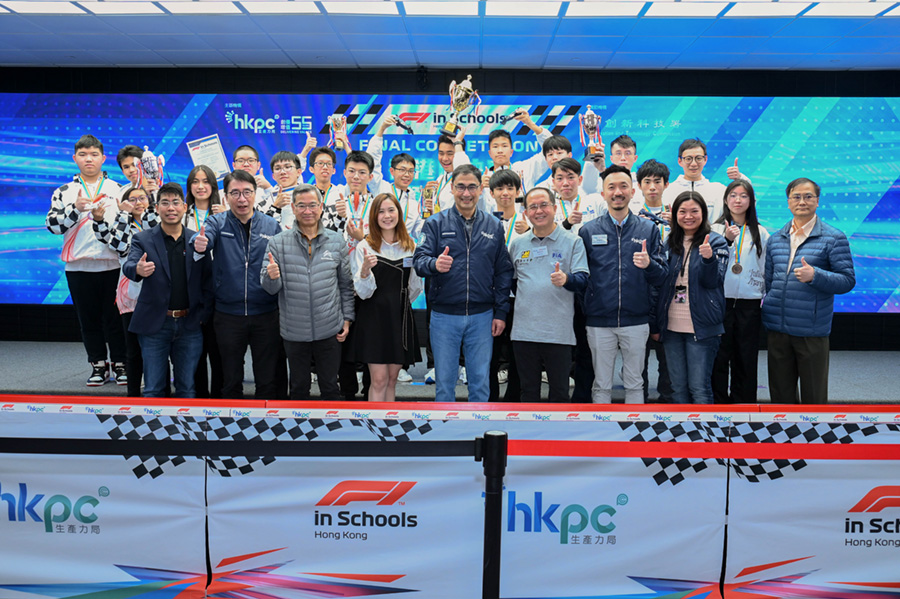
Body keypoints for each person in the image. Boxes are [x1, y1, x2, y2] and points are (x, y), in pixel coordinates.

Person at [413, 164, 514, 403]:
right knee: (445, 384)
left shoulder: (493, 225)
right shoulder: (435, 224)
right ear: (452, 189)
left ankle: (476, 434)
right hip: (444, 316)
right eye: (461, 187)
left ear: (481, 190)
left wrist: (500, 312)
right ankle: (445, 437)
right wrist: (434, 264)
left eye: (471, 187)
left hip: (482, 316)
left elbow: (503, 271)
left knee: (480, 383)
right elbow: (419, 260)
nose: (466, 193)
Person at [192, 169, 286, 400]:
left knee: (266, 377)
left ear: (255, 194)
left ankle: (267, 426)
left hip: (265, 312)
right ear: (225, 196)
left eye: (247, 192)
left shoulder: (271, 225)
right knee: (230, 377)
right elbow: (204, 238)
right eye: (235, 193)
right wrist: (199, 242)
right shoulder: (216, 222)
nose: (241, 199)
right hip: (228, 314)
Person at [579, 165, 667, 404]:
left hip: (636, 320)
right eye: (611, 187)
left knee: (635, 382)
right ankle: (602, 438)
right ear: (603, 193)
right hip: (599, 321)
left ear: (632, 190)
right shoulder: (588, 231)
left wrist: (649, 264)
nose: (617, 192)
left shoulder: (648, 229)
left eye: (623, 186)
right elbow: (581, 277)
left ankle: (633, 437)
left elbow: (662, 277)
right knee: (601, 385)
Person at [762, 178, 855, 404]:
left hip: (811, 331)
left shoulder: (834, 238)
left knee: (814, 399)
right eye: (796, 197)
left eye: (808, 196)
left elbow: (847, 280)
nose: (802, 201)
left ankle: (815, 438)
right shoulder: (775, 239)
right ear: (788, 202)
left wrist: (816, 276)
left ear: (817, 201)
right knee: (780, 397)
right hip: (777, 329)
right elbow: (768, 280)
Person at [45, 134, 126, 386]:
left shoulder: (118, 189)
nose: (88, 159)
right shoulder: (64, 192)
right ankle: (98, 365)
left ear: (103, 158)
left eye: (93, 154)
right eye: (83, 154)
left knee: (115, 319)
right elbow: (52, 226)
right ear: (74, 158)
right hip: (78, 266)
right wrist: (75, 208)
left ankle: (121, 364)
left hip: (113, 264)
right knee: (88, 320)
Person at [261, 185, 354, 401]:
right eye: (301, 206)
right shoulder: (277, 243)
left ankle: (332, 432)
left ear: (321, 207)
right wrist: (271, 276)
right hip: (294, 330)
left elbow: (345, 285)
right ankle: (298, 433)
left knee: (331, 387)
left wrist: (347, 319)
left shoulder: (336, 241)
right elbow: (269, 288)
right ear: (293, 208)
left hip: (329, 327)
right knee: (298, 388)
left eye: (312, 205)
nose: (307, 210)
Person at [122, 182, 213, 398]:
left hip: (190, 324)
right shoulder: (142, 239)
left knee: (187, 389)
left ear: (184, 207)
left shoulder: (196, 240)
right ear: (156, 208)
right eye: (165, 203)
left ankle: (187, 432)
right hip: (155, 324)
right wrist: (138, 269)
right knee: (153, 388)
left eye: (175, 203)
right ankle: (153, 431)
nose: (170, 208)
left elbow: (208, 281)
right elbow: (128, 265)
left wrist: (202, 316)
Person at [510, 187, 589, 402]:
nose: (539, 211)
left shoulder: (573, 241)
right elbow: (514, 283)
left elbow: (583, 279)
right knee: (528, 392)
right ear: (526, 213)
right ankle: (530, 436)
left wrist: (567, 280)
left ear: (555, 208)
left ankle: (559, 436)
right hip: (523, 333)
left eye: (544, 205)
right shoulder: (517, 244)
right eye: (533, 207)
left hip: (558, 333)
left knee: (560, 394)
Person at [651, 192, 729, 404]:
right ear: (675, 214)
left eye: (694, 211)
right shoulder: (669, 243)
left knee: (700, 388)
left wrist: (708, 259)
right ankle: (683, 435)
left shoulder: (716, 242)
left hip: (701, 327)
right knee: (677, 389)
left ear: (704, 213)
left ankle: (704, 436)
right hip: (672, 327)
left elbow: (714, 282)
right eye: (682, 211)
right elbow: (659, 284)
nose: (688, 216)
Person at [347, 193, 422, 401]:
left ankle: (389, 427)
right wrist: (364, 270)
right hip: (374, 318)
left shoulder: (411, 246)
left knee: (392, 378)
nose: (387, 216)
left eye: (391, 210)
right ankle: (374, 430)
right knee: (378, 380)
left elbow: (415, 287)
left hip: (400, 318)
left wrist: (400, 304)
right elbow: (362, 292)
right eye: (381, 211)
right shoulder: (365, 246)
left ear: (399, 213)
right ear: (374, 216)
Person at [92, 186, 155, 396]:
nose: (138, 202)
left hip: (158, 289)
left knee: (158, 344)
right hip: (130, 291)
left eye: (142, 198)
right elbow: (118, 245)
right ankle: (133, 394)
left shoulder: (155, 221)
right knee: (133, 349)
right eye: (132, 199)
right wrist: (124, 214)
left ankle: (159, 388)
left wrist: (151, 205)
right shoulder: (121, 223)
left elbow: (155, 231)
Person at [710, 180, 769, 404]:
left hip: (749, 304)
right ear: (725, 200)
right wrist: (726, 240)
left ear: (751, 201)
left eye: (743, 196)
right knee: (719, 356)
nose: (738, 200)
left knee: (745, 357)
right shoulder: (714, 229)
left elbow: (765, 267)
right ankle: (718, 404)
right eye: (733, 195)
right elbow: (708, 264)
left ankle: (743, 404)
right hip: (720, 302)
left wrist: (762, 293)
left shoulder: (761, 232)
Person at [184, 165, 225, 399]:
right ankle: (198, 398)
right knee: (194, 350)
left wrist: (227, 215)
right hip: (191, 286)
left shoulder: (223, 212)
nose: (200, 186)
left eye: (206, 181)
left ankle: (219, 398)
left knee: (218, 349)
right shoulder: (182, 213)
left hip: (219, 286)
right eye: (195, 181)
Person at [635, 159, 674, 402]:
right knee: (637, 358)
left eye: (657, 182)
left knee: (667, 358)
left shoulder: (679, 216)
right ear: (638, 186)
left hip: (669, 293)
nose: (652, 187)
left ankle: (667, 404)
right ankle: (638, 404)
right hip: (639, 291)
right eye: (647, 182)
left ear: (666, 184)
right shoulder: (633, 217)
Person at [489, 170, 529, 401]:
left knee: (518, 352)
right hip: (491, 295)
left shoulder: (529, 222)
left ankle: (514, 398)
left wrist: (531, 233)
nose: (505, 193)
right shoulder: (485, 221)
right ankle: (490, 399)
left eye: (510, 188)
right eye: (500, 189)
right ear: (492, 193)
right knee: (490, 353)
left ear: (517, 192)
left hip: (520, 295)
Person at [661, 138, 748, 223]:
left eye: (698, 158)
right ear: (680, 161)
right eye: (688, 159)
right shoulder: (667, 191)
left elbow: (746, 205)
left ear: (705, 159)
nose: (694, 164)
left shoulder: (719, 190)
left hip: (712, 237)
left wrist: (740, 178)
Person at [366, 116, 424, 241]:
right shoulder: (381, 188)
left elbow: (419, 231)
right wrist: (381, 130)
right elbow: (372, 162)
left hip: (403, 251)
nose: (406, 175)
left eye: (410, 171)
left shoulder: (414, 201)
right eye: (402, 170)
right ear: (392, 171)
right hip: (379, 246)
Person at [264, 150, 303, 229]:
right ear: (273, 176)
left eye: (288, 167)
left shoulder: (311, 194)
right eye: (277, 168)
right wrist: (276, 206)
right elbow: (263, 228)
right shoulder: (266, 200)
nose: (282, 172)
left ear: (298, 172)